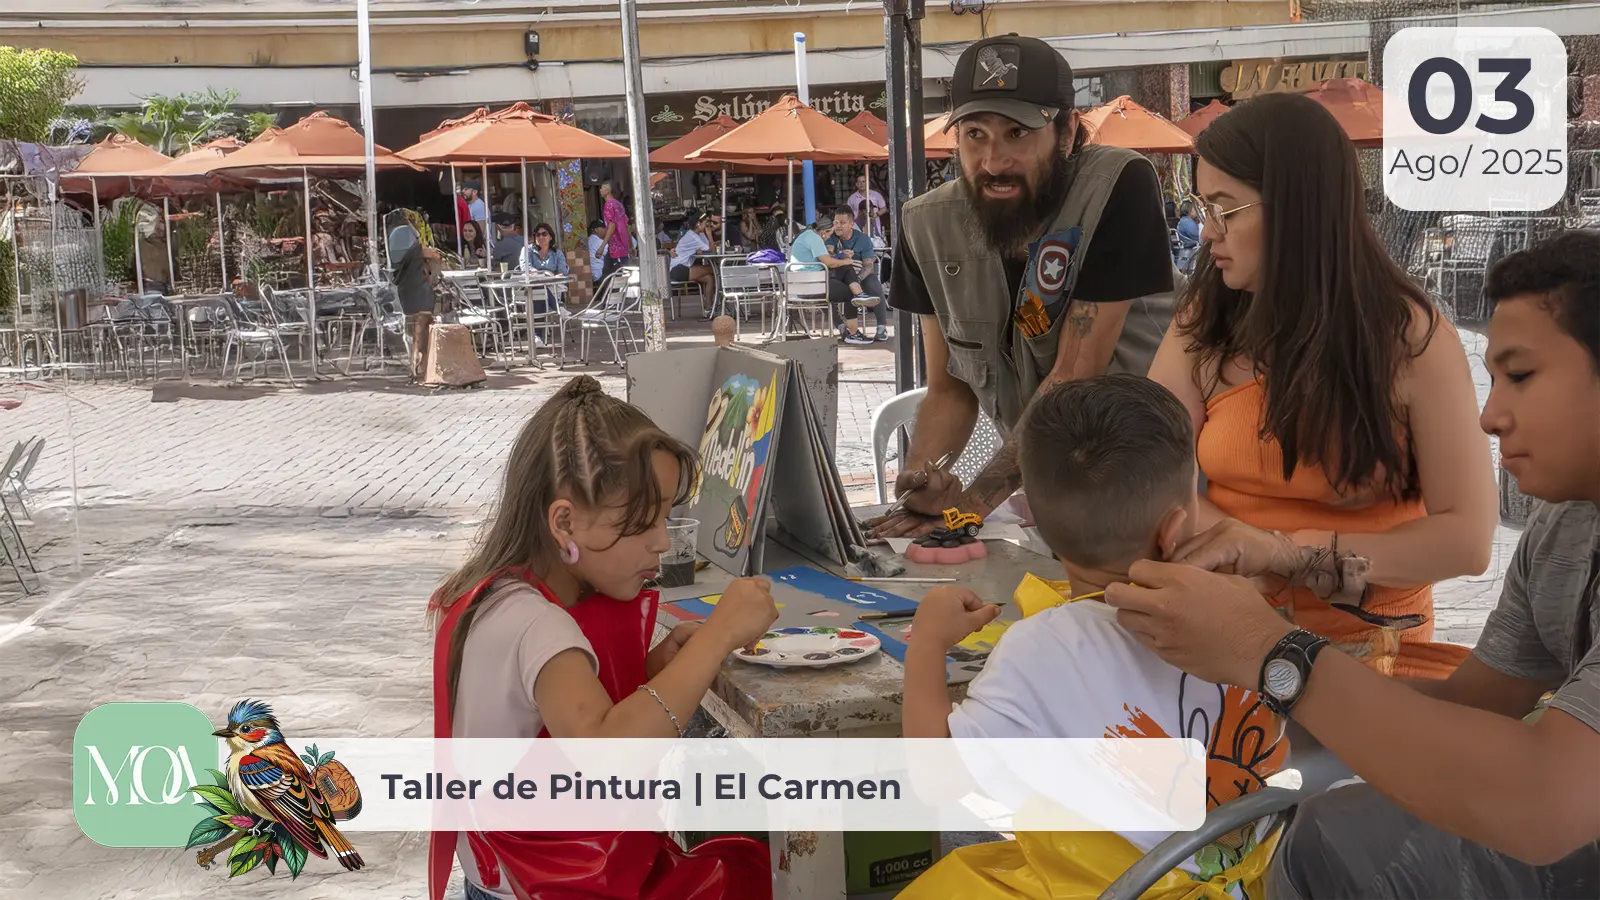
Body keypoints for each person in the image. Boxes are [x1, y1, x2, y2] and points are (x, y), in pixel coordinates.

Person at [1104, 230, 1600, 898]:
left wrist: (1270, 651)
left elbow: (1541, 802)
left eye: (1520, 375)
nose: (1488, 415)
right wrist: (1247, 706)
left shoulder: (1406, 333)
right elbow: (1473, 708)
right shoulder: (1564, 529)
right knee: (1323, 836)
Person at [1146, 92, 1497, 679]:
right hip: (1230, 629)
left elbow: (1467, 538)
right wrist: (1247, 552)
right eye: (1201, 207)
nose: (1207, 233)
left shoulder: (1408, 337)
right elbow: (1150, 476)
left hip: (1373, 651)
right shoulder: (1205, 320)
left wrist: (1287, 554)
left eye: (1223, 209)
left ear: (1295, 209)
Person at [899, 374, 1287, 899]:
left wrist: (927, 642)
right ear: (1175, 527)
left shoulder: (1039, 649)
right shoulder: (1242, 611)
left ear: (1032, 518)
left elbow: (938, 782)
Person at [427, 376, 779, 900]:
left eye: (665, 516)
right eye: (641, 524)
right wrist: (719, 635)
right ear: (564, 523)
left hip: (499, 876)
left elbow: (552, 715)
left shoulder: (496, 593)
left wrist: (661, 665)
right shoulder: (536, 625)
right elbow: (607, 755)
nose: (663, 541)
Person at [872, 35, 1176, 538]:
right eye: (975, 135)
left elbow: (1074, 377)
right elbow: (949, 390)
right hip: (1049, 498)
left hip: (1157, 491)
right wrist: (926, 485)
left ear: (1067, 132)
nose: (994, 161)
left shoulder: (1118, 186)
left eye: (1018, 133)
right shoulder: (925, 227)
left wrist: (969, 508)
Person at [788, 216, 874, 345]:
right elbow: (829, 262)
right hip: (814, 285)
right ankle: (853, 332)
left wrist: (842, 257)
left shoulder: (807, 235)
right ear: (825, 232)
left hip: (805, 284)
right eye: (830, 234)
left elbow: (826, 259)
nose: (829, 237)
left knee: (846, 267)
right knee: (850, 294)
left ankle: (859, 295)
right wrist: (845, 260)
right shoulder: (815, 239)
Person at [384, 209, 441, 379]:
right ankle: (422, 366)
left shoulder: (394, 234)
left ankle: (416, 365)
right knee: (421, 327)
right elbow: (417, 252)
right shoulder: (403, 233)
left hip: (408, 288)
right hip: (417, 287)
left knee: (415, 330)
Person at [826, 206, 890, 342]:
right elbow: (829, 254)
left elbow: (868, 265)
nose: (838, 226)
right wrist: (840, 255)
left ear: (851, 224)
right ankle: (842, 326)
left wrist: (858, 279)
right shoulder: (830, 237)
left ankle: (881, 327)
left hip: (860, 275)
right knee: (827, 291)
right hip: (837, 274)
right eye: (836, 222)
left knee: (874, 285)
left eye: (842, 223)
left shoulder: (863, 239)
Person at [668, 210, 717, 316]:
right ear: (698, 224)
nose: (707, 225)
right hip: (678, 270)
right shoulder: (692, 236)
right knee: (714, 269)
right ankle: (718, 300)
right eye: (705, 223)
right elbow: (712, 250)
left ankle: (709, 308)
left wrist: (706, 236)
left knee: (709, 278)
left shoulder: (697, 234)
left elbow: (707, 248)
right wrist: (709, 234)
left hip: (683, 268)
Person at [599, 181, 632, 282]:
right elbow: (626, 225)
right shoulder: (619, 204)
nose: (600, 190)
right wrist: (630, 245)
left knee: (618, 276)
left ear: (608, 191)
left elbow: (612, 226)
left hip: (617, 247)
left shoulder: (608, 205)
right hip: (622, 246)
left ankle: (619, 295)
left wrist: (602, 246)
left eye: (602, 188)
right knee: (610, 272)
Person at [847, 174, 887, 240]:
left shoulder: (876, 195)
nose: (861, 184)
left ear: (868, 183)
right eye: (859, 182)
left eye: (863, 181)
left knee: (876, 242)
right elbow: (848, 213)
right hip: (857, 226)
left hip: (874, 225)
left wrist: (876, 214)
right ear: (856, 184)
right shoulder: (852, 198)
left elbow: (884, 208)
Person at [1174, 201, 1200, 272]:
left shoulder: (1184, 220)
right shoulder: (1187, 222)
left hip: (1188, 245)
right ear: (1189, 211)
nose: (1196, 211)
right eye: (1194, 209)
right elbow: (1196, 236)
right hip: (1192, 246)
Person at [586, 219, 607, 283]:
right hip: (599, 275)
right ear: (596, 230)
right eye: (603, 228)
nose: (605, 230)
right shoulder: (600, 242)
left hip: (589, 274)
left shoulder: (587, 240)